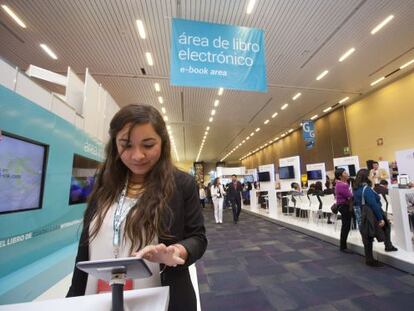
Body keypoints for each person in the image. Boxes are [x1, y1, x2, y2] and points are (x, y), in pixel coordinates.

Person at [66, 104, 207, 311]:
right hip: (100, 295)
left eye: (148, 145)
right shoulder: (104, 184)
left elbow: (198, 237)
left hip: (161, 296)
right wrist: (72, 298)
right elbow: (85, 249)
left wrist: (176, 251)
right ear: (115, 144)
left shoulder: (181, 184)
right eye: (126, 145)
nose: (137, 156)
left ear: (163, 142)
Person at [353, 169, 398, 267]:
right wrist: (380, 218)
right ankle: (381, 251)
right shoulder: (366, 189)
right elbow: (374, 204)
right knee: (384, 227)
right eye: (371, 174)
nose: (372, 176)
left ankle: (371, 257)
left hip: (361, 214)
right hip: (371, 214)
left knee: (366, 235)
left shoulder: (356, 188)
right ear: (366, 176)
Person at [335, 168, 354, 253]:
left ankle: (343, 246)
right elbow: (349, 195)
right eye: (345, 172)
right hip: (345, 206)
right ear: (340, 176)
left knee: (345, 226)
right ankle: (343, 246)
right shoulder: (342, 185)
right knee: (346, 226)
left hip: (343, 206)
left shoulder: (342, 183)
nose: (347, 173)